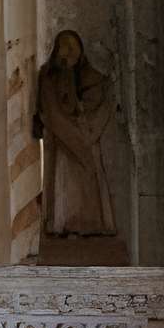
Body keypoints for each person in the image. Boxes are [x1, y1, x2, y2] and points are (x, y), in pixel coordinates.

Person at [34, 29, 115, 242]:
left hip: (84, 137)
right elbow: (50, 110)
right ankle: (63, 226)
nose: (69, 52)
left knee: (88, 182)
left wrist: (82, 126)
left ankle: (91, 226)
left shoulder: (92, 78)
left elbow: (98, 100)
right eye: (65, 47)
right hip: (62, 144)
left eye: (73, 47)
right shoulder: (48, 76)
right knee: (64, 188)